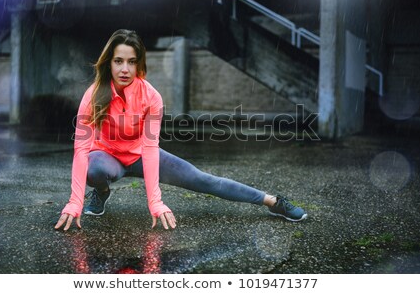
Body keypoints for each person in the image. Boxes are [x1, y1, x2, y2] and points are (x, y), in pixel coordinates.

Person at [54, 29, 307, 231]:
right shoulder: (93, 95)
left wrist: (155, 202)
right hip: (107, 158)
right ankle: (100, 193)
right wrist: (75, 201)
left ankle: (272, 201)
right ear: (109, 62)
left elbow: (151, 150)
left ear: (138, 64)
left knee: (203, 179)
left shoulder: (151, 96)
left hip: (141, 154)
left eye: (131, 62)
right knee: (92, 165)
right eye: (118, 61)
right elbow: (81, 149)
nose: (124, 69)